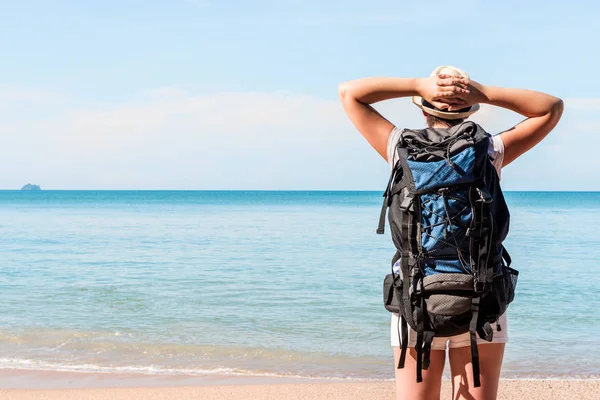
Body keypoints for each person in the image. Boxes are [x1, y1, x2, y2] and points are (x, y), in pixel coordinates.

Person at [338, 66, 563, 400]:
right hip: (482, 299)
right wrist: (482, 90)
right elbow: (551, 107)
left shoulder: (400, 147)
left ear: (423, 107)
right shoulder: (490, 151)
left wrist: (419, 84)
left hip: (415, 299)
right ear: (470, 107)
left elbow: (350, 92)